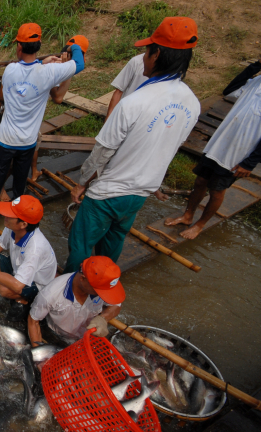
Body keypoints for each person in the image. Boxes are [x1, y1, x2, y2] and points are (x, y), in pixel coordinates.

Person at [64, 17, 201, 273]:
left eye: (147, 51)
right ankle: (101, 288)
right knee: (113, 243)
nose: (144, 57)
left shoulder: (134, 102)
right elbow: (169, 146)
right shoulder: (192, 103)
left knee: (80, 244)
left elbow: (102, 152)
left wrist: (81, 183)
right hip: (138, 194)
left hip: (108, 193)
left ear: (157, 54)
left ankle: (70, 291)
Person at [0, 23, 86, 216]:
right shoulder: (49, 73)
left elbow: (28, 70)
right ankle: (18, 214)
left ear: (19, 47)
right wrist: (73, 46)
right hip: (27, 142)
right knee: (20, 183)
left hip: (6, 139)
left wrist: (44, 62)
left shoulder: (10, 70)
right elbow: (79, 65)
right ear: (39, 44)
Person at [165, 70, 261, 239]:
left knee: (217, 190)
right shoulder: (256, 82)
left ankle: (200, 225)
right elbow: (229, 90)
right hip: (220, 144)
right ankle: (188, 216)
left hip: (238, 154)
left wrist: (249, 163)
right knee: (201, 180)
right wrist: (255, 67)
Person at [0, 195, 57, 321]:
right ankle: (1, 273)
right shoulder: (12, 228)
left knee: (2, 289)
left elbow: (17, 285)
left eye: (10, 215)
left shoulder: (35, 248)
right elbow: (1, 244)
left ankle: (27, 299)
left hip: (36, 282)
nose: (5, 217)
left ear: (23, 224)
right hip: (17, 266)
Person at [28, 256, 124, 346]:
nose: (102, 295)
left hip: (89, 336)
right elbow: (33, 321)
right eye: (100, 291)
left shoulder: (104, 285)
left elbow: (116, 305)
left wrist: (103, 318)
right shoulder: (50, 294)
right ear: (82, 279)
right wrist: (38, 352)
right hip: (57, 336)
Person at [106, 53, 149, 120]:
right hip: (126, 115)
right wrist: (108, 122)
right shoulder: (136, 62)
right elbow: (118, 92)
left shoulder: (169, 71)